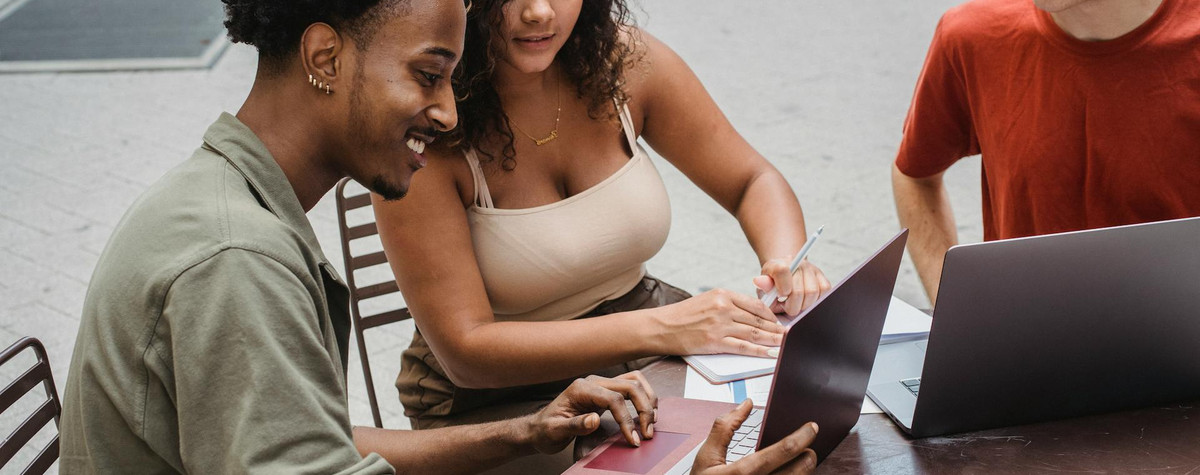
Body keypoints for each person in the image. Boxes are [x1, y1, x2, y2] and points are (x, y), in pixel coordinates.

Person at [58, 0, 822, 473]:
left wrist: (528, 432)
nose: (450, 111)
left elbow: (322, 442)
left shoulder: (230, 206)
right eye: (428, 75)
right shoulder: (237, 262)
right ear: (325, 57)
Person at [374, 0, 831, 442]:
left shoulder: (622, 62)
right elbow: (466, 352)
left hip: (647, 355)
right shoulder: (424, 125)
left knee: (800, 420)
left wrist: (785, 262)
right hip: (496, 403)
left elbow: (751, 181)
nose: (539, 11)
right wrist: (666, 328)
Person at [892, 0, 1200, 303]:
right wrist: (954, 305)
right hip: (1020, 335)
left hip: (1177, 334)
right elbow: (914, 176)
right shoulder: (972, 35)